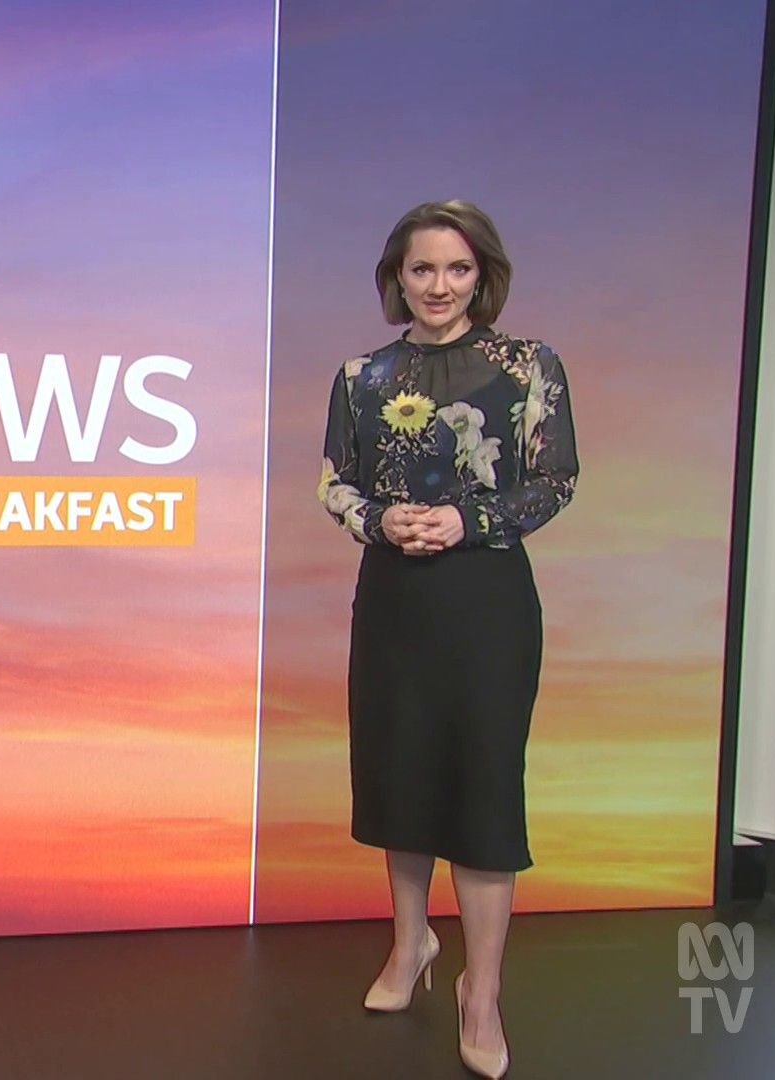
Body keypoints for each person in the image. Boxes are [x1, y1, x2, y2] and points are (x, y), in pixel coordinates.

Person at [318, 199, 578, 1078]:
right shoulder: (363, 376)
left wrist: (469, 521)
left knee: (480, 786)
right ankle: (411, 946)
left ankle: (481, 992)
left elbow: (555, 480)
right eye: (422, 268)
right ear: (398, 276)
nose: (439, 285)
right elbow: (336, 484)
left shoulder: (528, 367)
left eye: (457, 269)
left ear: (483, 276)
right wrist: (380, 520)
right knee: (402, 773)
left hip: (487, 601)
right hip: (395, 600)